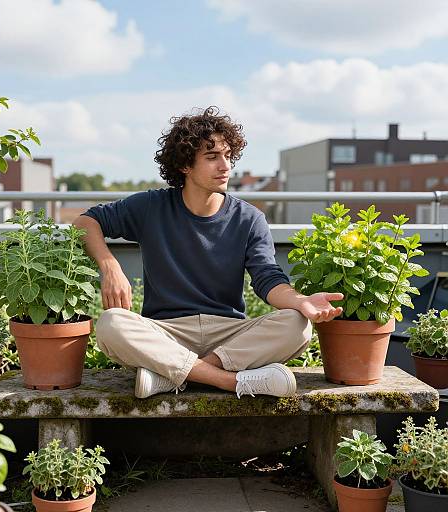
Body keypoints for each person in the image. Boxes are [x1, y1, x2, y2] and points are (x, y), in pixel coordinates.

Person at [73, 106, 343, 400]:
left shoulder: (249, 218)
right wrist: (110, 267)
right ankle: (230, 382)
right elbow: (86, 221)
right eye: (212, 157)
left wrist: (302, 301)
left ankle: (173, 375)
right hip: (166, 332)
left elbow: (268, 279)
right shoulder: (151, 206)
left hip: (229, 335)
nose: (225, 166)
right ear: (185, 165)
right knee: (111, 323)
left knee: (297, 325)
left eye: (228, 156)